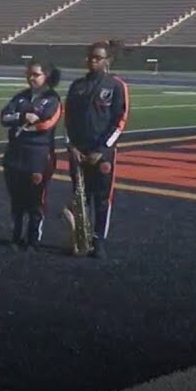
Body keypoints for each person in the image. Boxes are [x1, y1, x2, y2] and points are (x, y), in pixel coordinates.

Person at [63, 40, 130, 259]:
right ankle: (81, 238)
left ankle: (98, 240)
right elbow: (68, 119)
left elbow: (120, 120)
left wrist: (102, 149)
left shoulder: (116, 86)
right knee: (80, 197)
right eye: (90, 57)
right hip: (78, 152)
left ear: (107, 60)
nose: (92, 61)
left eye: (98, 58)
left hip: (102, 153)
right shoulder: (77, 86)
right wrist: (71, 146)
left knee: (101, 199)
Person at [0, 60, 63, 252]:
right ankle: (16, 236)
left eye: (36, 74)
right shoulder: (20, 97)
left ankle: (33, 239)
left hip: (38, 155)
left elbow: (45, 122)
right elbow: (4, 117)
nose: (31, 78)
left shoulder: (52, 98)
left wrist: (26, 118)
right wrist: (22, 117)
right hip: (15, 154)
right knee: (16, 199)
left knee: (35, 200)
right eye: (29, 74)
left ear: (46, 76)